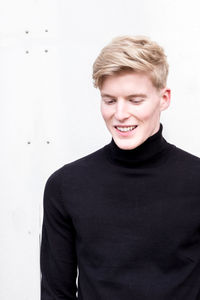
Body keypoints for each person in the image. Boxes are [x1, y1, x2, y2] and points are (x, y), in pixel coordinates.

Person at [40, 36, 200, 299]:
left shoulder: (196, 181)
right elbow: (56, 293)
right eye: (110, 100)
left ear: (164, 98)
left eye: (135, 100)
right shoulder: (66, 185)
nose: (121, 114)